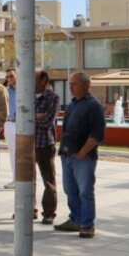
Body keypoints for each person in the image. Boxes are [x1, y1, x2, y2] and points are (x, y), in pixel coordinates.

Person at [55, 72, 106, 239]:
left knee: (85, 191)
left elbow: (97, 134)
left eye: (74, 84)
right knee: (70, 190)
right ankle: (75, 219)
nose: (70, 87)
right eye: (70, 84)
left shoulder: (94, 106)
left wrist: (83, 151)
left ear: (86, 85)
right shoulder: (71, 105)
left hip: (83, 157)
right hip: (68, 155)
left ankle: (87, 225)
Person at [34, 69, 61, 225]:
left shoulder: (53, 97)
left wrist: (32, 116)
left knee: (48, 180)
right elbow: (19, 117)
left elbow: (47, 121)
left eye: (34, 78)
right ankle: (29, 210)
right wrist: (38, 115)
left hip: (45, 144)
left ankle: (49, 213)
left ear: (44, 80)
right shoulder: (25, 94)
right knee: (27, 180)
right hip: (27, 145)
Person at [2, 68, 17, 189]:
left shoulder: (25, 90)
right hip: (9, 124)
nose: (9, 79)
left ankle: (24, 179)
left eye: (11, 76)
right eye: (7, 77)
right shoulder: (5, 91)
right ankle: (15, 179)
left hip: (22, 125)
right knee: (12, 153)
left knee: (24, 153)